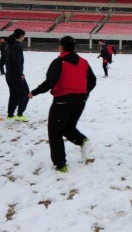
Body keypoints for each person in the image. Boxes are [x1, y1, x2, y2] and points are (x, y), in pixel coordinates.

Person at [28, 36, 97, 173]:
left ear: (61, 47)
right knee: (68, 128)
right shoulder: (84, 62)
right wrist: (84, 93)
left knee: (55, 133)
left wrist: (33, 93)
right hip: (80, 102)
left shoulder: (59, 62)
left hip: (62, 102)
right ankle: (82, 141)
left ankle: (61, 164)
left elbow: (50, 82)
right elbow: (93, 80)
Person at [5, 28, 30, 121]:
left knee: (14, 94)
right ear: (21, 36)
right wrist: (20, 73)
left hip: (9, 73)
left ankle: (10, 114)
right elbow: (17, 61)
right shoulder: (17, 46)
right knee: (25, 93)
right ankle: (20, 114)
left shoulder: (9, 44)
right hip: (15, 74)